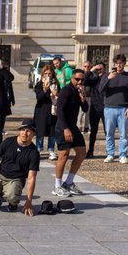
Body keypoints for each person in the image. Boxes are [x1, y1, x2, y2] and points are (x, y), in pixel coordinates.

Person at [0, 119, 40, 214]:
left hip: (16, 179)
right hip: (0, 175)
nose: (24, 133)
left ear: (33, 133)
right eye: (23, 130)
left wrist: (29, 201)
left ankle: (13, 204)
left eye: (28, 131)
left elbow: (31, 178)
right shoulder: (9, 142)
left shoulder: (34, 153)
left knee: (12, 196)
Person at [52, 69, 88, 197]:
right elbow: (60, 111)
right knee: (64, 155)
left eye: (82, 79)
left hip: (73, 126)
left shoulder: (79, 91)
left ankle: (69, 182)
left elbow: (85, 109)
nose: (79, 81)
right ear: (71, 79)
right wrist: (65, 129)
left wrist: (83, 98)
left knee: (82, 152)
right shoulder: (66, 90)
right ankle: (57, 186)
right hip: (63, 126)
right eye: (77, 79)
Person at [99, 54, 128, 164]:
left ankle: (122, 155)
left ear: (124, 64)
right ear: (114, 64)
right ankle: (110, 154)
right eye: (117, 63)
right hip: (109, 108)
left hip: (123, 108)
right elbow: (101, 90)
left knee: (123, 134)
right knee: (109, 133)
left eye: (121, 63)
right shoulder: (106, 76)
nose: (119, 65)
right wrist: (108, 79)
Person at [33, 64, 59, 160]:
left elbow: (59, 96)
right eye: (46, 73)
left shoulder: (56, 84)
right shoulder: (39, 84)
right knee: (40, 131)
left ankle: (51, 150)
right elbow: (39, 98)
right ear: (43, 74)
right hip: (42, 110)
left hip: (52, 111)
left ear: (52, 74)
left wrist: (56, 94)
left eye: (50, 73)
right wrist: (45, 89)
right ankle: (38, 150)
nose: (48, 75)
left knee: (52, 131)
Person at [85, 62, 106, 159]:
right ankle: (90, 150)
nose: (99, 71)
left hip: (106, 108)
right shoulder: (94, 79)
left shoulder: (107, 78)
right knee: (93, 131)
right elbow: (84, 80)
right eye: (97, 69)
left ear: (104, 69)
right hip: (94, 108)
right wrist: (91, 70)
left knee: (108, 131)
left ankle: (109, 152)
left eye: (100, 69)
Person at [77, 61, 91, 133]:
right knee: (80, 112)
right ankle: (79, 126)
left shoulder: (92, 74)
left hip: (89, 96)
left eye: (88, 66)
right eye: (85, 66)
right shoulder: (81, 75)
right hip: (81, 95)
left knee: (87, 112)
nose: (87, 68)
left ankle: (86, 127)